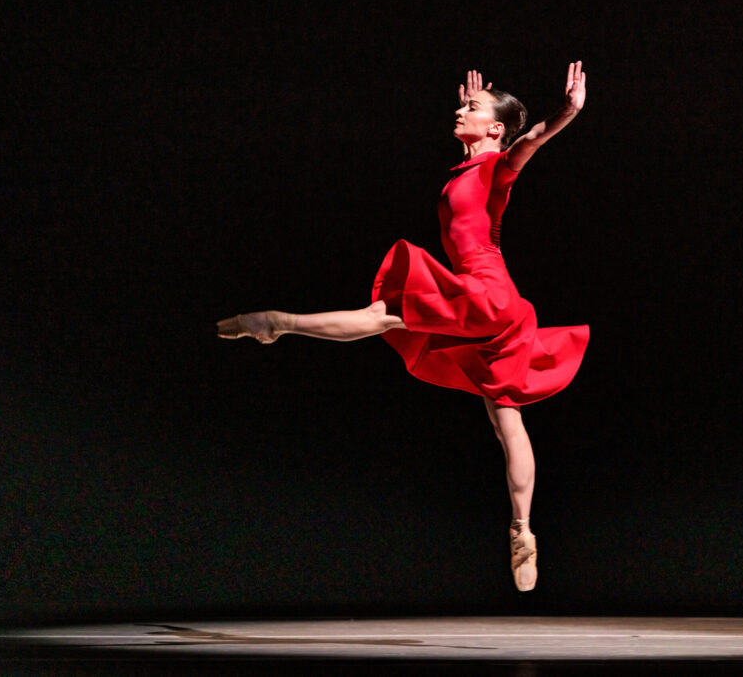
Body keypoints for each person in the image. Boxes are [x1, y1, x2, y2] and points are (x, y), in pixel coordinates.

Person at [217, 62, 589, 592]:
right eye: (464, 105)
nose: (460, 110)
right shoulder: (467, 169)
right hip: (490, 305)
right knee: (505, 418)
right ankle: (522, 532)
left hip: (485, 293)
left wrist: (566, 113)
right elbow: (500, 137)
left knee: (383, 316)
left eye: (473, 109)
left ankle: (279, 322)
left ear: (495, 130)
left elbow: (530, 138)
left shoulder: (498, 166)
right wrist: (482, 108)